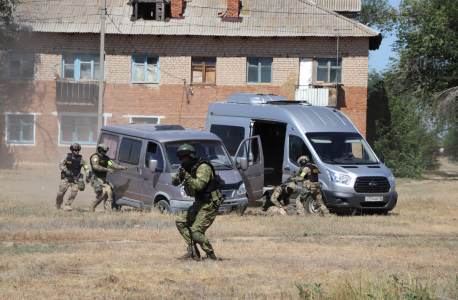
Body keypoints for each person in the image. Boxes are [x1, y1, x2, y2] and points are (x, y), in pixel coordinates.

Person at [173, 144, 225, 261]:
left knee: (196, 231)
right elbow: (174, 182)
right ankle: (193, 252)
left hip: (210, 203)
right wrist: (179, 176)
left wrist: (186, 176)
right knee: (180, 222)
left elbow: (200, 186)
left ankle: (211, 256)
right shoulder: (185, 167)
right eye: (181, 159)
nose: (183, 160)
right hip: (199, 202)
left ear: (191, 156)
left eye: (185, 158)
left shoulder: (203, 167)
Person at [89, 143, 128, 212]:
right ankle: (92, 206)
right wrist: (108, 170)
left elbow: (113, 165)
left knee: (109, 192)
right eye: (104, 151)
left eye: (106, 151)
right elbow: (96, 167)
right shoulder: (95, 157)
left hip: (103, 178)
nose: (105, 152)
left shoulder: (106, 158)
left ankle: (108, 210)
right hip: (96, 178)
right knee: (103, 193)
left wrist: (122, 168)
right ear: (100, 150)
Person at [56, 143, 89, 211]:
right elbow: (61, 165)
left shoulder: (81, 160)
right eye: (75, 150)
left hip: (75, 180)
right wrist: (65, 170)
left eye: (78, 150)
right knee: (60, 193)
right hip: (66, 179)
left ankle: (67, 205)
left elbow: (86, 167)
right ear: (72, 150)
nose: (77, 151)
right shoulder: (67, 157)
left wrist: (88, 174)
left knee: (74, 191)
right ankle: (58, 205)